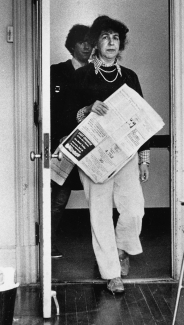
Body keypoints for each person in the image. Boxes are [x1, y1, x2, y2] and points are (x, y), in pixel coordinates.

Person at [64, 15, 150, 293]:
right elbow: (67, 117)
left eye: (115, 37)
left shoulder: (129, 76)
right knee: (99, 215)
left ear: (120, 43)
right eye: (105, 37)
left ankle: (122, 249)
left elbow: (142, 120)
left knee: (134, 209)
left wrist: (144, 158)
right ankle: (112, 273)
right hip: (93, 157)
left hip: (125, 155)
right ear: (96, 43)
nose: (111, 42)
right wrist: (88, 110)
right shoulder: (81, 76)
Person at [50, 24, 92, 258]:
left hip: (92, 145)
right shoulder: (56, 72)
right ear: (72, 45)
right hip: (63, 145)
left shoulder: (97, 73)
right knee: (59, 197)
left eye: (89, 42)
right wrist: (59, 137)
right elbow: (49, 111)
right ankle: (50, 243)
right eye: (81, 41)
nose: (86, 46)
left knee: (99, 197)